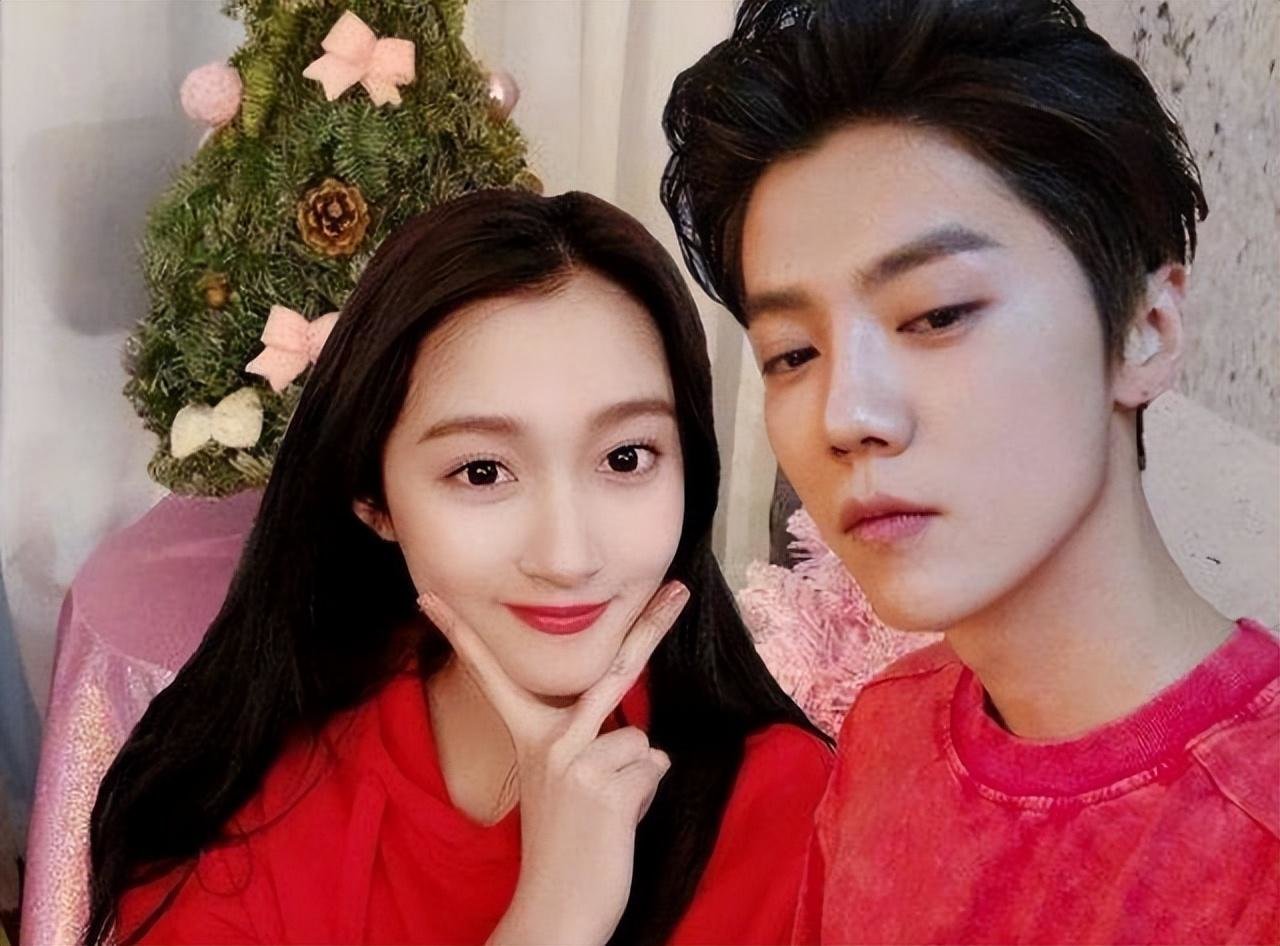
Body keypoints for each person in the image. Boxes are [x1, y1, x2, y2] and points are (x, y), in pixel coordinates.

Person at [660, 0, 1280, 942]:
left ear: (1145, 332)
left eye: (938, 314)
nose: (846, 416)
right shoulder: (887, 732)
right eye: (792, 354)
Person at [85, 189, 832, 946]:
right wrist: (552, 921)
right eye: (482, 472)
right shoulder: (243, 815)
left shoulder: (799, 811)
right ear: (373, 497)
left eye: (626, 458)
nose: (567, 558)